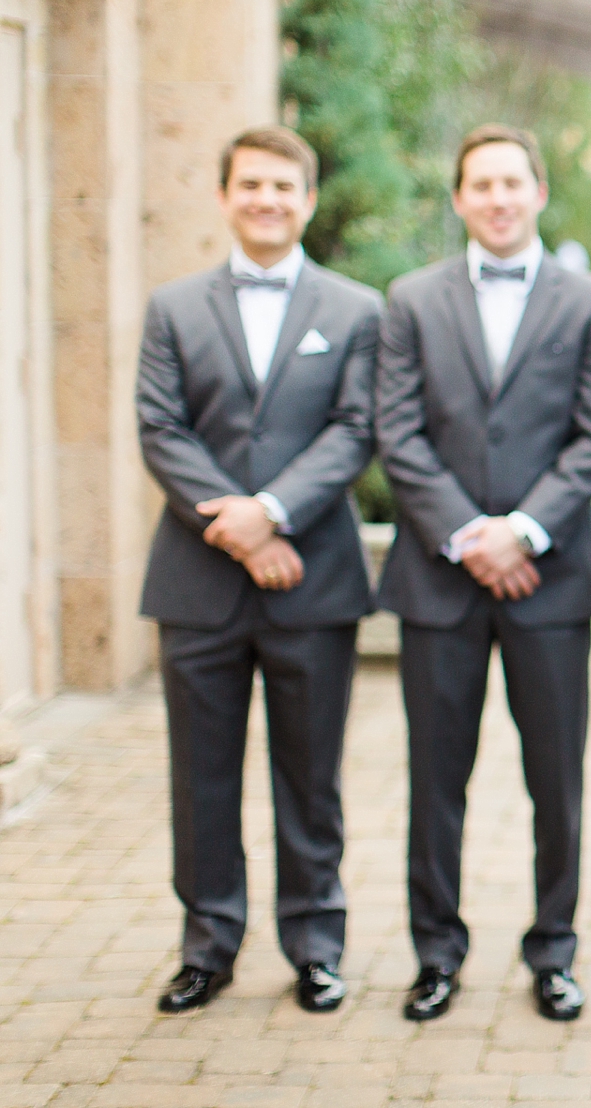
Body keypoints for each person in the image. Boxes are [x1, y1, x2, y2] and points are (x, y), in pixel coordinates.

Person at [375, 124, 591, 1024]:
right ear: (459, 199)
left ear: (538, 191)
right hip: (438, 582)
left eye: (512, 182)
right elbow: (397, 430)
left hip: (551, 582)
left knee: (555, 781)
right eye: (480, 184)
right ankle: (435, 954)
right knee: (435, 781)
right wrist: (467, 537)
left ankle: (553, 951)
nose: (498, 198)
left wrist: (521, 532)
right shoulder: (410, 299)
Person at [136, 126, 382, 1014]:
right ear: (224, 197)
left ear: (307, 200)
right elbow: (161, 428)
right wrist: (240, 529)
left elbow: (356, 429)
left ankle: (316, 945)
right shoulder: (172, 307)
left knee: (309, 777)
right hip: (197, 581)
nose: (267, 200)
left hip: (312, 578)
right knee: (200, 774)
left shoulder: (356, 311)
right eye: (250, 185)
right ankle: (207, 945)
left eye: (283, 186)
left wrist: (274, 512)